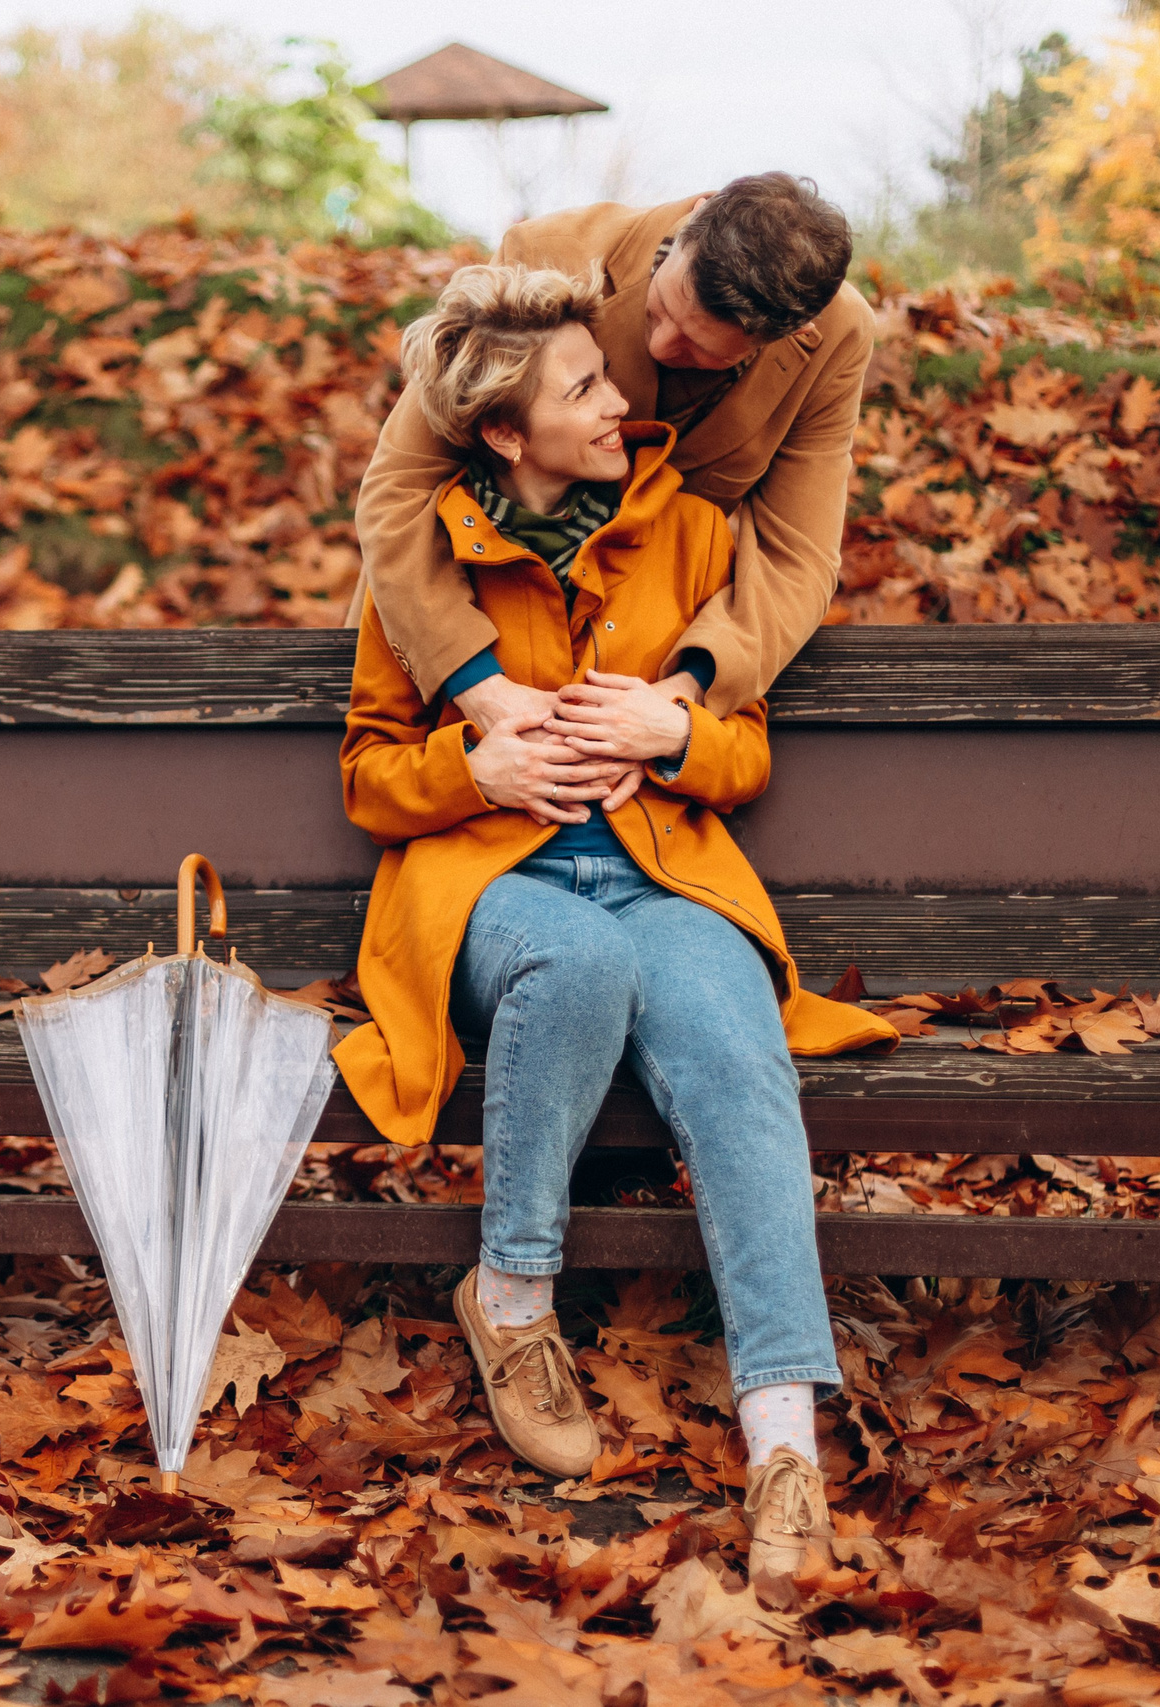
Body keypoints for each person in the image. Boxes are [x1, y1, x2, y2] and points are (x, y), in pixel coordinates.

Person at [331, 262, 895, 1587]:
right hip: (494, 892)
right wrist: (475, 772)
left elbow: (743, 749)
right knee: (574, 960)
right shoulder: (420, 569)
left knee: (740, 1047)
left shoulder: (691, 533)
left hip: (668, 879)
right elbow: (366, 774)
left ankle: (784, 1445)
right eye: (585, 386)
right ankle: (512, 1297)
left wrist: (679, 731)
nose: (624, 402)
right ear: (504, 436)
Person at [347, 174, 865, 815]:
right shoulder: (551, 255)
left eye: (700, 352)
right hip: (458, 632)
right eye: (662, 310)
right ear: (691, 225)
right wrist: (478, 686)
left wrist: (681, 697)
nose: (658, 348)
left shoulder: (835, 340)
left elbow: (798, 556)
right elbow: (400, 490)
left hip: (646, 695)